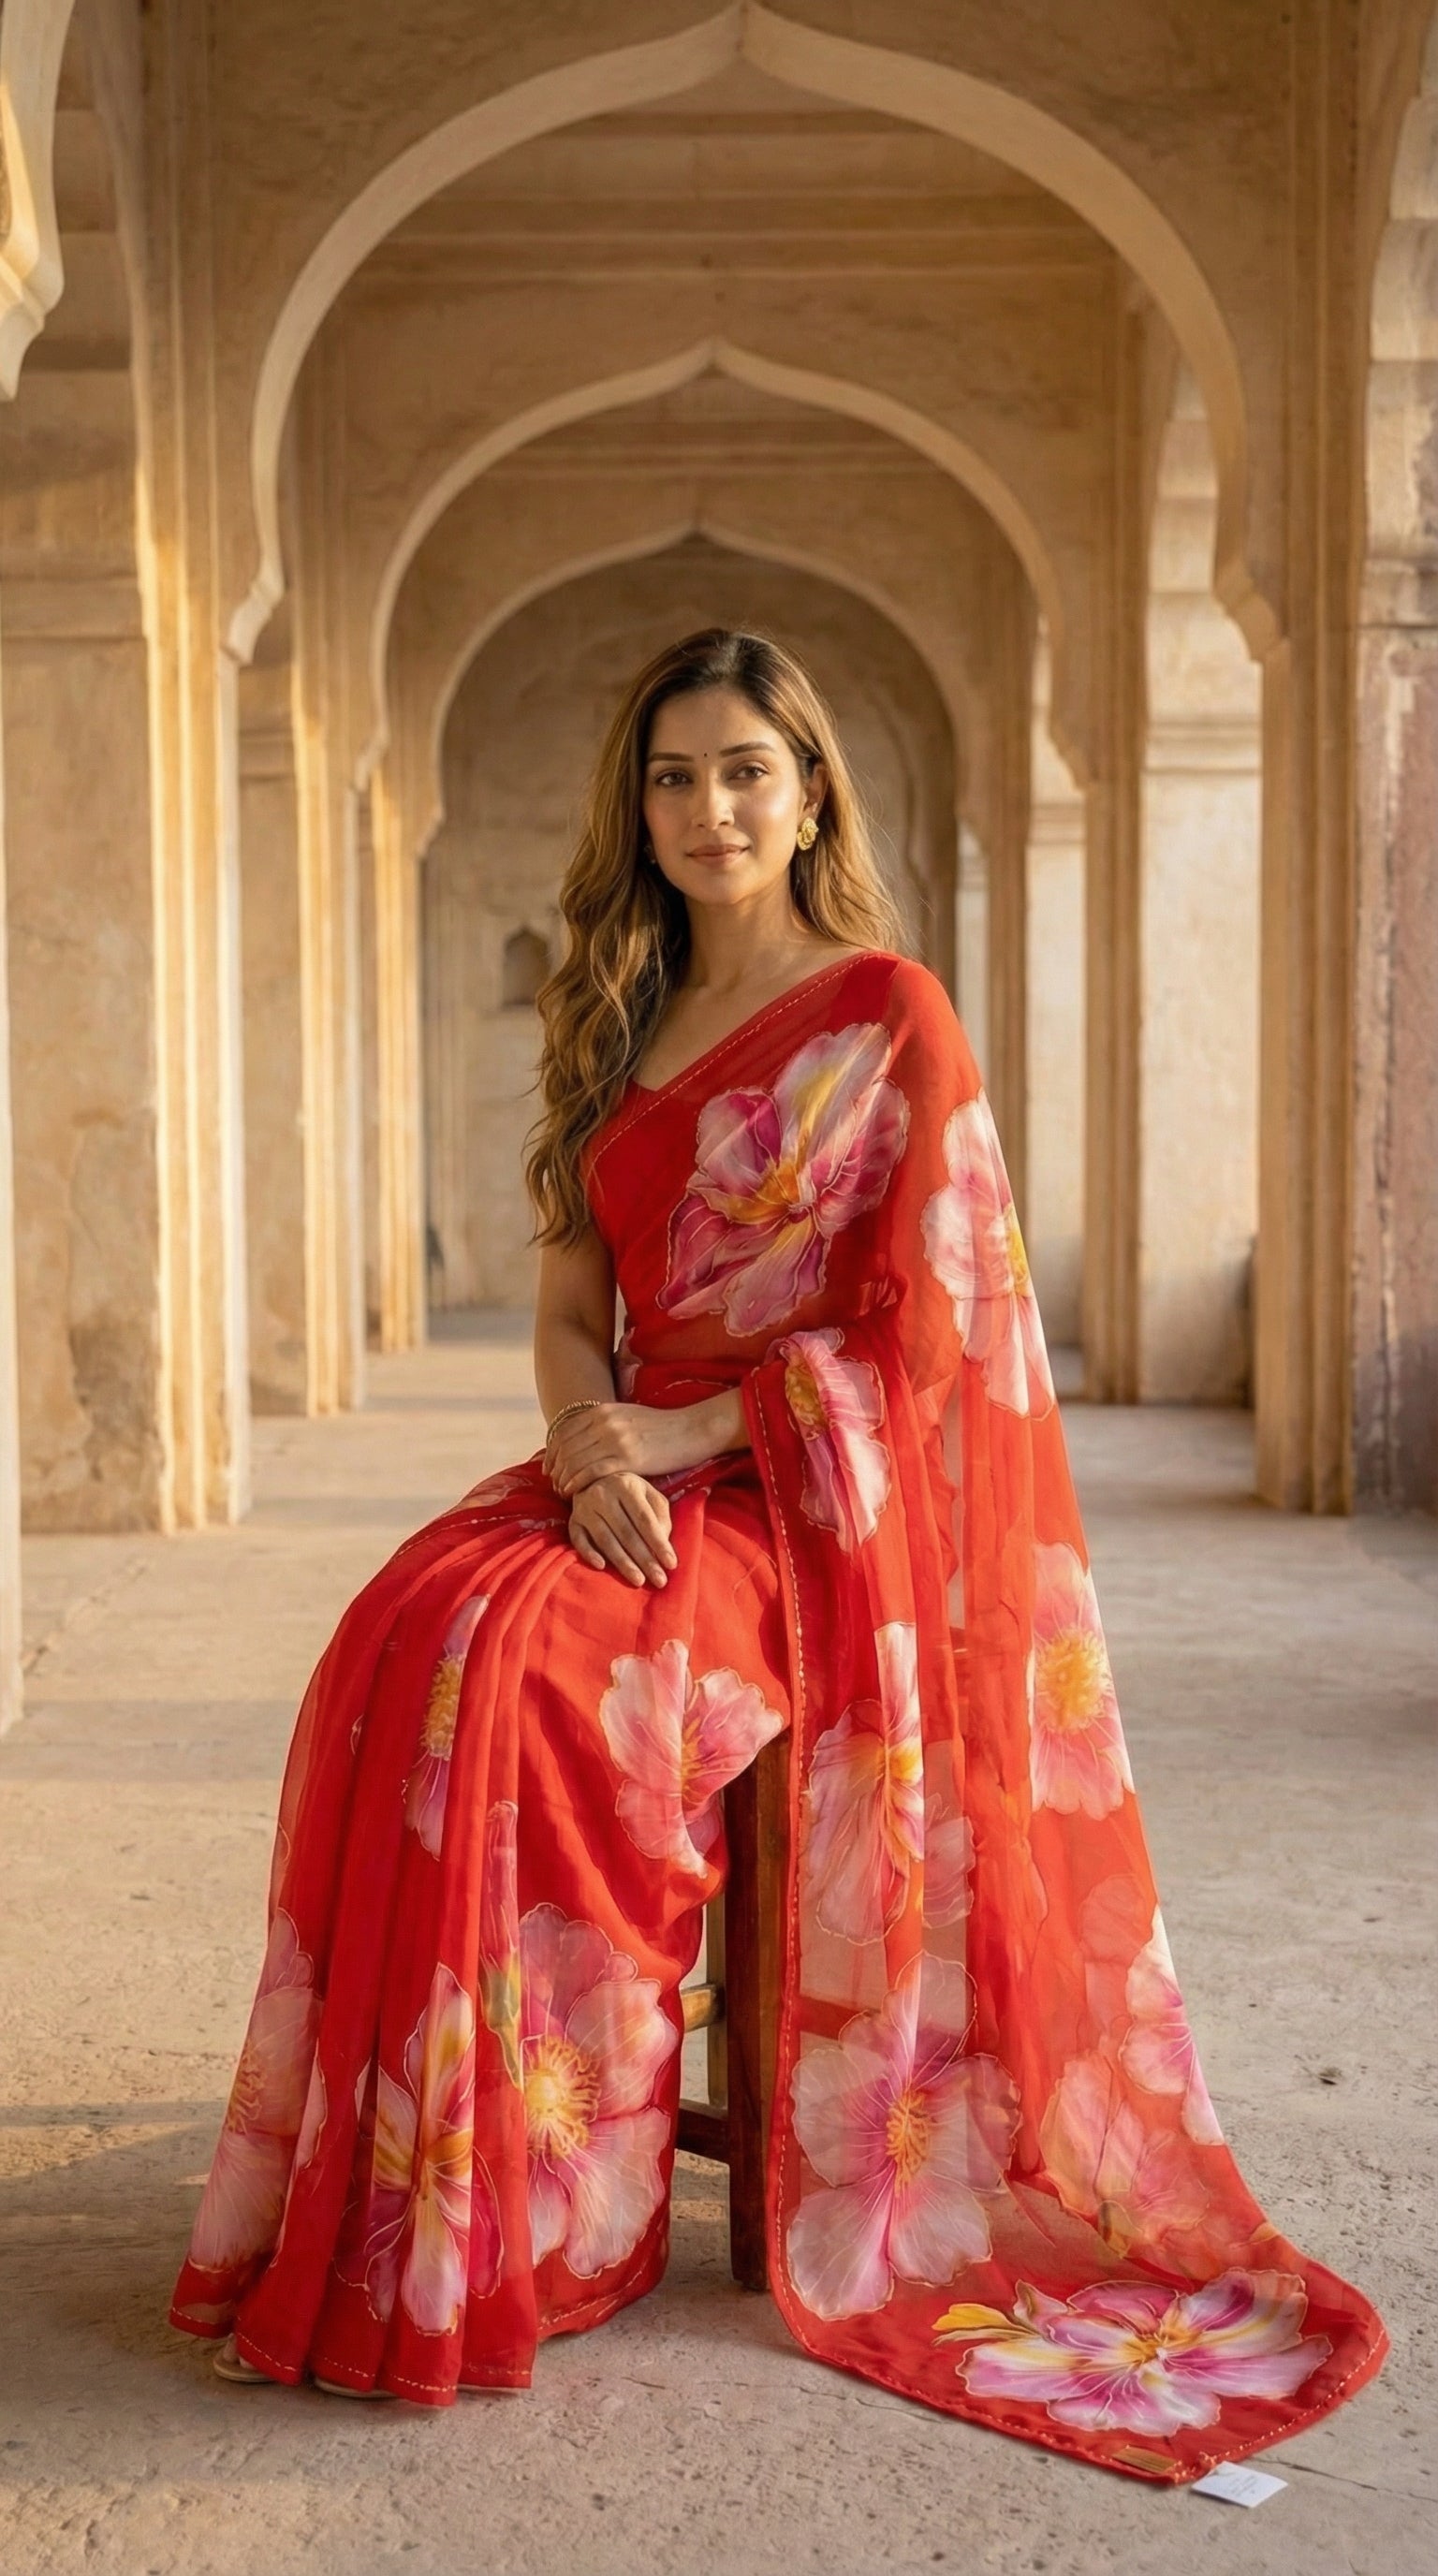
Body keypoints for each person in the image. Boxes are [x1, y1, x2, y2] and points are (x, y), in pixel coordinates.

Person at [171, 628, 1385, 2481]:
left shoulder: (889, 1010)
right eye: (673, 775)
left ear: (812, 788)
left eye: (746, 769)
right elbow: (575, 1295)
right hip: (631, 1458)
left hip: (815, 1506)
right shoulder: (620, 1004)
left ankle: (549, 2210)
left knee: (532, 1676)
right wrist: (590, 1432)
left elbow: (937, 1332)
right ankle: (423, 2179)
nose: (708, 807)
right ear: (636, 807)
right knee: (403, 1628)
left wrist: (678, 1430)